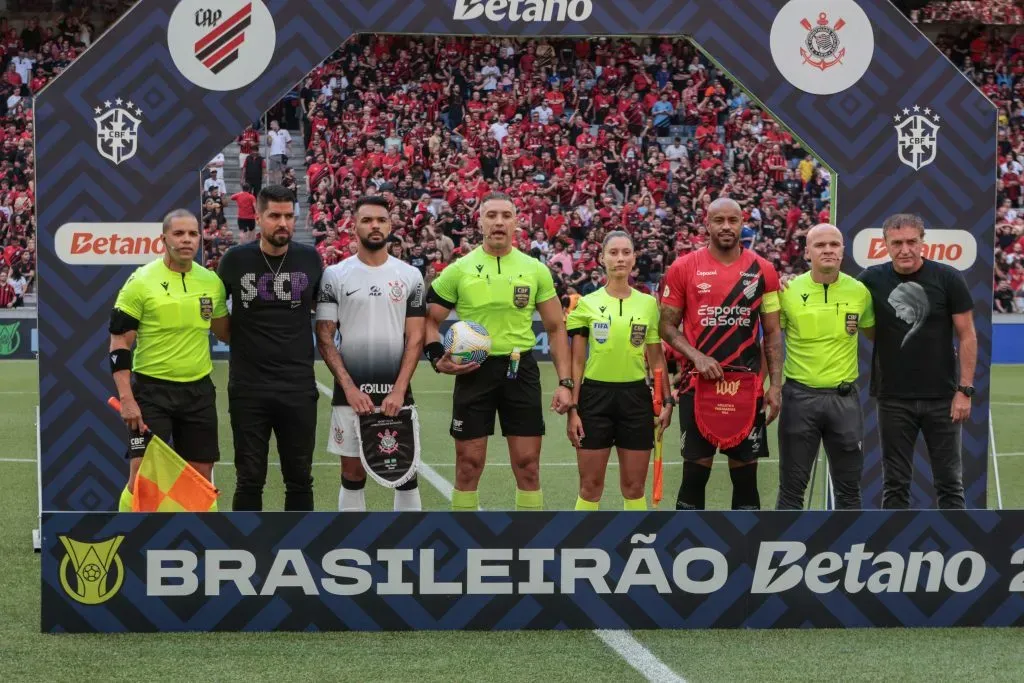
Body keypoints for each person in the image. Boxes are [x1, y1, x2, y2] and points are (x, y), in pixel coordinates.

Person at [424, 192, 573, 512]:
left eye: (506, 215)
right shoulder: (459, 270)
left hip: (520, 370)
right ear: (480, 222)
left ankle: (528, 537)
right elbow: (428, 320)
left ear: (516, 222)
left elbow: (556, 328)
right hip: (473, 372)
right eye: (491, 215)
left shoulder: (535, 269)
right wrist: (437, 358)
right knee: (468, 465)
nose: (499, 222)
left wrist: (565, 382)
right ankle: (463, 538)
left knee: (528, 466)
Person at [659, 198, 784, 511]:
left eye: (733, 220)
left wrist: (775, 386)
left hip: (747, 388)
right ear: (707, 224)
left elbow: (772, 333)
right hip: (697, 386)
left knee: (746, 481)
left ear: (742, 223)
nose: (726, 226)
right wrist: (696, 356)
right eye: (719, 220)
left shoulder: (763, 270)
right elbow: (666, 326)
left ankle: (745, 543)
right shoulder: (683, 267)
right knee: (694, 477)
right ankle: (686, 541)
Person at [108, 209, 229, 512]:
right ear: (163, 239)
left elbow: (225, 332)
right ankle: (128, 535)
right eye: (179, 233)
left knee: (200, 478)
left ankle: (201, 538)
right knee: (141, 478)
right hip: (151, 393)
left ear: (200, 238)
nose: (186, 240)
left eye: (192, 234)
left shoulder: (211, 282)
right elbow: (120, 343)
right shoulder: (141, 281)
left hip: (198, 392)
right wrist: (127, 399)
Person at [315, 195, 426, 512]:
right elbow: (325, 336)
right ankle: (355, 541)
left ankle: (409, 542)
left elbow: (415, 337)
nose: (374, 225)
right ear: (354, 227)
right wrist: (349, 388)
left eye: (381, 220)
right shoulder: (335, 275)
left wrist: (399, 389)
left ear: (390, 226)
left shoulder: (410, 276)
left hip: (396, 395)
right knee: (352, 475)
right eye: (366, 220)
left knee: (405, 473)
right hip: (351, 396)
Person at [858, 214, 976, 509]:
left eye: (912, 241)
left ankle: (956, 538)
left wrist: (964, 390)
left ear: (923, 242)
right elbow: (835, 293)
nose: (905, 249)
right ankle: (893, 539)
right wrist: (788, 283)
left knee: (950, 485)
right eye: (897, 243)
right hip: (893, 399)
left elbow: (967, 336)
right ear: (885, 244)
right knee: (895, 486)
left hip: (943, 398)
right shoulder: (870, 279)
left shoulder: (948, 278)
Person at [217, 186, 323, 511]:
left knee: (300, 478)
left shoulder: (310, 259)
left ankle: (300, 542)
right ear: (258, 217)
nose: (283, 223)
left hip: (298, 387)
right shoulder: (235, 260)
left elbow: (322, 312)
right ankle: (247, 543)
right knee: (249, 478)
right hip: (248, 388)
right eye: (275, 216)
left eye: (289, 216)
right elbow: (219, 321)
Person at [565, 231, 673, 510]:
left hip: (636, 399)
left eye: (626, 252)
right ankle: (581, 539)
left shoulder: (648, 304)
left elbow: (657, 359)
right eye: (613, 253)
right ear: (602, 259)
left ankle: (634, 539)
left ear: (634, 258)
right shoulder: (586, 304)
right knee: (590, 487)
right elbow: (577, 362)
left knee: (634, 488)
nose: (620, 258)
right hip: (594, 399)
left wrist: (667, 401)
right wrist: (573, 409)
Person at [775, 224, 874, 510]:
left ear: (843, 250)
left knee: (849, 492)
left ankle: (848, 541)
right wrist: (769, 387)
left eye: (834, 244)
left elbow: (878, 336)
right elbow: (770, 342)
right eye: (820, 245)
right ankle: (786, 540)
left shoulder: (860, 292)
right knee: (792, 491)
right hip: (799, 399)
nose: (828, 250)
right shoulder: (787, 290)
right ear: (807, 252)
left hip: (844, 400)